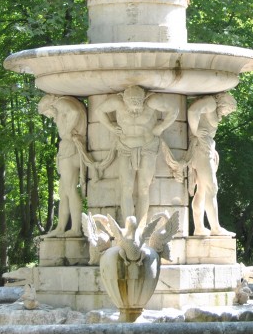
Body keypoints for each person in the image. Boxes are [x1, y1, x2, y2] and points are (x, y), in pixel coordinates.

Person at [95, 85, 179, 224]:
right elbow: (99, 111)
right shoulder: (117, 102)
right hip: (125, 148)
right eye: (131, 102)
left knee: (144, 188)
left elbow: (174, 109)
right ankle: (129, 227)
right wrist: (110, 127)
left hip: (147, 147)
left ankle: (140, 226)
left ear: (143, 98)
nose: (134, 106)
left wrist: (161, 127)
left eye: (137, 102)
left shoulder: (151, 102)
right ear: (125, 99)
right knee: (126, 188)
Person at [38, 94, 92, 238]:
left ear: (49, 106)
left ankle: (75, 229)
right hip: (69, 148)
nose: (50, 116)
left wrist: (67, 131)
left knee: (70, 189)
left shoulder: (61, 102)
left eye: (47, 113)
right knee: (64, 191)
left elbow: (73, 112)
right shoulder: (65, 103)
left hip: (70, 148)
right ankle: (61, 227)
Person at [185, 92, 237, 237]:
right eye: (228, 109)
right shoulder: (210, 102)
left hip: (205, 149)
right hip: (201, 150)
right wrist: (195, 131)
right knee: (211, 188)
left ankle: (199, 228)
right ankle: (215, 228)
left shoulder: (212, 106)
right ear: (223, 103)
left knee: (202, 191)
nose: (227, 114)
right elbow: (192, 110)